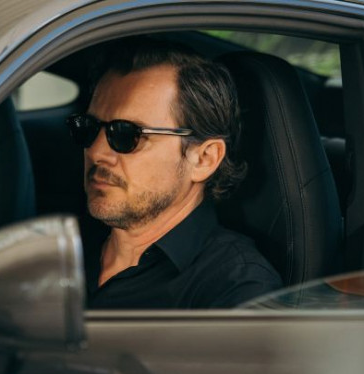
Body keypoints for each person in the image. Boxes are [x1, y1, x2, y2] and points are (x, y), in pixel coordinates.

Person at [66, 38, 282, 309]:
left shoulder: (234, 289)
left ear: (204, 159)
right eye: (88, 128)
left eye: (126, 135)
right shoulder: (65, 246)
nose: (96, 151)